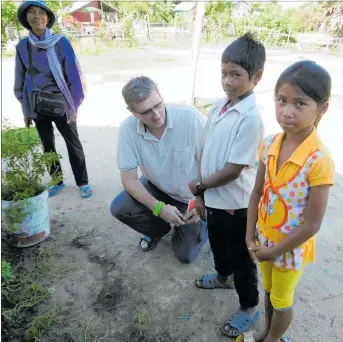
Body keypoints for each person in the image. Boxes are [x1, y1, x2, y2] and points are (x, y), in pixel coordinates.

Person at [246, 61, 335, 342]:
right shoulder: (270, 144)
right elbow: (257, 192)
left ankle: (273, 339)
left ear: (322, 108)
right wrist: (250, 236)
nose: (287, 111)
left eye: (300, 103)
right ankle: (267, 332)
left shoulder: (319, 160)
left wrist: (276, 251)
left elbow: (312, 224)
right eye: (281, 100)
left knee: (282, 300)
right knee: (269, 292)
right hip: (264, 240)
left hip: (288, 249)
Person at [188, 33, 265, 338]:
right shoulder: (220, 106)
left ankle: (249, 306)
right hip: (214, 199)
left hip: (238, 203)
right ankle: (223, 277)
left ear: (256, 77)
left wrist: (199, 187)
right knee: (218, 245)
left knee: (242, 257)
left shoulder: (251, 118)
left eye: (236, 74)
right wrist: (203, 196)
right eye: (224, 73)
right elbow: (205, 151)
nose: (228, 81)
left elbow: (234, 169)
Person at [110, 76, 208, 263]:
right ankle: (160, 228)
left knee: (185, 255)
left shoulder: (190, 117)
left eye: (158, 105)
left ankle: (204, 222)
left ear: (161, 95)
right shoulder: (128, 129)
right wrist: (159, 209)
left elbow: (210, 162)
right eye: (146, 112)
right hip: (158, 187)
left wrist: (202, 199)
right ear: (132, 112)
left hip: (192, 196)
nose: (156, 114)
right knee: (120, 207)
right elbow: (129, 179)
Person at [14, 0, 92, 198]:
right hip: (37, 105)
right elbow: (20, 79)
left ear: (48, 18)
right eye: (31, 12)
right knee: (47, 145)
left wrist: (74, 106)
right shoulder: (22, 46)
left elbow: (73, 76)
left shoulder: (61, 42)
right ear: (26, 19)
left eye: (41, 12)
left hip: (63, 104)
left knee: (73, 143)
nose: (36, 16)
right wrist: (26, 109)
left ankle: (83, 182)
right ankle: (56, 181)